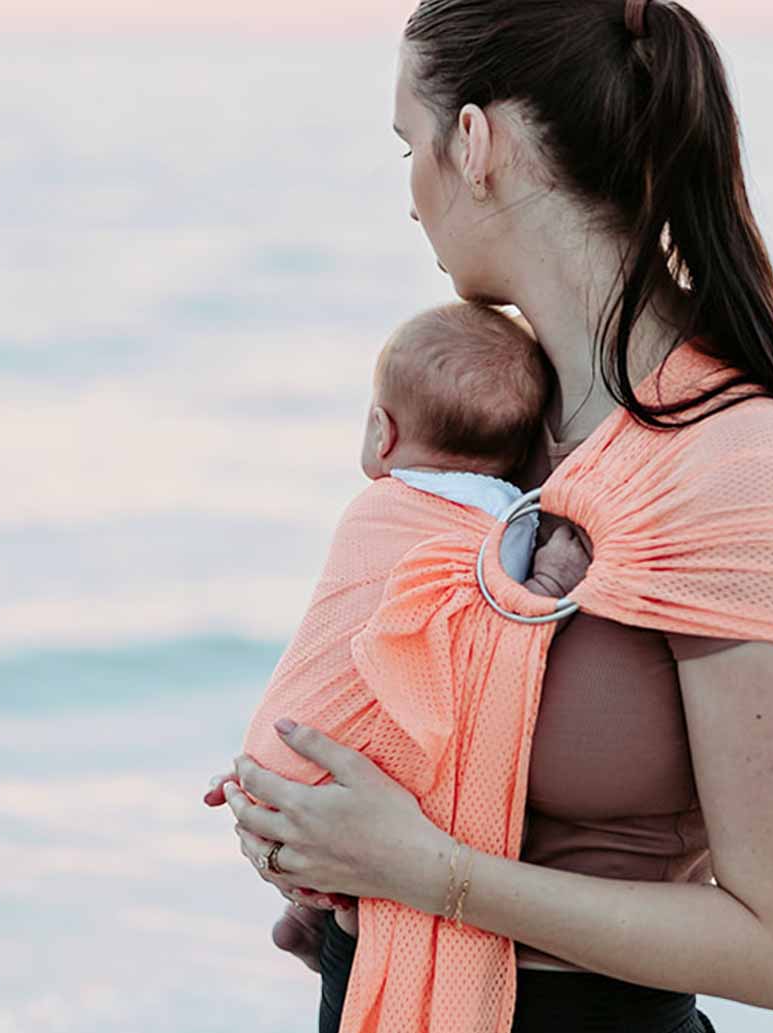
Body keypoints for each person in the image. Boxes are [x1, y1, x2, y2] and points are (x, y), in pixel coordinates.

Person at [205, 1, 773, 1033]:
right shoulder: (500, 427)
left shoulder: (733, 465)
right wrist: (314, 825)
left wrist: (424, 872)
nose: (410, 198)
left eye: (406, 146)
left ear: (475, 145)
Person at [207, 299, 590, 968]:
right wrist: (553, 585)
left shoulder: (373, 508)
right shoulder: (505, 528)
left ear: (381, 432)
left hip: (276, 750)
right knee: (413, 721)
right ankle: (314, 912)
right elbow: (503, 628)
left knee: (356, 689)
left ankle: (305, 916)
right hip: (347, 784)